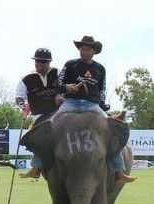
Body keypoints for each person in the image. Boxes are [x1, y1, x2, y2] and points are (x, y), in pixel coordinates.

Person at [50, 35, 137, 184]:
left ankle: (118, 171)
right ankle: (37, 166)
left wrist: (103, 106)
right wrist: (66, 87)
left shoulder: (100, 68)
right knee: (48, 125)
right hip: (71, 103)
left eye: (87, 49)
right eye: (81, 48)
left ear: (94, 51)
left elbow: (102, 89)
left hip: (92, 105)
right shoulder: (70, 64)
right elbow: (56, 84)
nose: (83, 51)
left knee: (112, 130)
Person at [14, 48, 61, 179]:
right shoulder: (26, 79)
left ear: (49, 62)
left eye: (43, 61)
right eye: (37, 61)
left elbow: (67, 87)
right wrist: (23, 106)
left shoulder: (59, 73)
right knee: (40, 137)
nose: (39, 64)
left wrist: (62, 95)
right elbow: (19, 97)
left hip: (60, 112)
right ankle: (36, 168)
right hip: (39, 116)